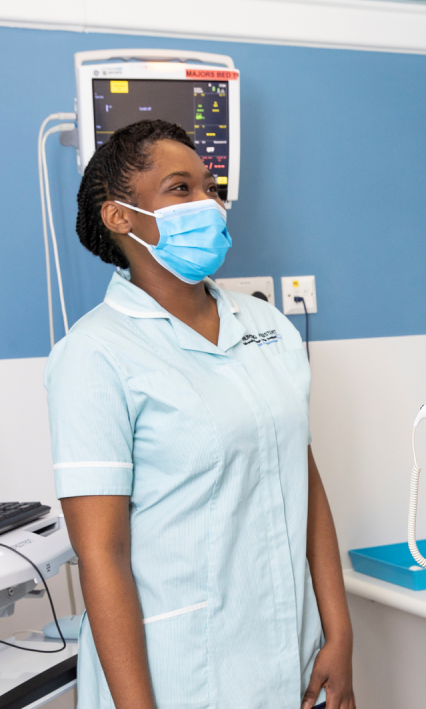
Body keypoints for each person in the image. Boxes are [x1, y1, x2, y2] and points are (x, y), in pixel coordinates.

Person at [45, 119, 355, 709]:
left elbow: (303, 481)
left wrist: (339, 634)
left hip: (294, 653)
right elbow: (101, 555)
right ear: (121, 217)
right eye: (180, 189)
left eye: (210, 188)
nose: (207, 204)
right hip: (176, 673)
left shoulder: (268, 327)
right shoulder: (94, 355)